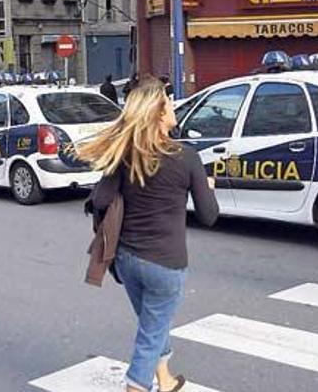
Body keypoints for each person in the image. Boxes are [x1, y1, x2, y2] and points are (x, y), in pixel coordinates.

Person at [78, 78, 218, 392]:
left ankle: (165, 380)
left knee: (152, 324)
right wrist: (208, 188)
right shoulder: (187, 157)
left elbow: (99, 201)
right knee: (151, 332)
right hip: (166, 264)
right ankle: (137, 386)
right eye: (168, 103)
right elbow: (209, 216)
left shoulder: (126, 155)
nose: (173, 107)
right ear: (157, 114)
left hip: (127, 259)